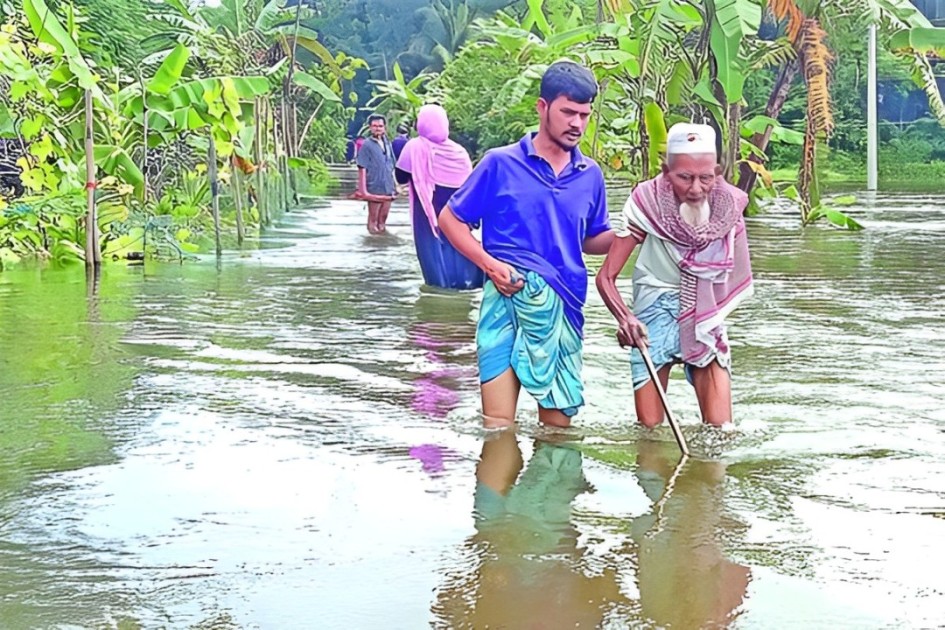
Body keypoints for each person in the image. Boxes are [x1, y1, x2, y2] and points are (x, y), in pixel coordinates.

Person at [438, 60, 614, 429]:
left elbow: (591, 240)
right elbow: (450, 221)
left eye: (584, 115)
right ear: (542, 107)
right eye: (568, 112)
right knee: (496, 428)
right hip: (504, 304)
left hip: (565, 306)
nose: (577, 124)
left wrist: (636, 233)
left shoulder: (590, 175)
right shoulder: (499, 164)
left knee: (557, 433)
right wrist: (489, 265)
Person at [595, 123, 753, 428]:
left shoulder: (729, 208)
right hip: (652, 311)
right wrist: (625, 318)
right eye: (684, 177)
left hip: (705, 315)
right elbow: (605, 278)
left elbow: (728, 278)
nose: (695, 189)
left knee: (722, 432)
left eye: (705, 178)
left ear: (717, 172)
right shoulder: (645, 203)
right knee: (650, 433)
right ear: (667, 172)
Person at [395, 104, 483, 290]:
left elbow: (400, 177)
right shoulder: (460, 152)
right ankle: (464, 291)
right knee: (459, 250)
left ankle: (438, 295)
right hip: (457, 213)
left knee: (432, 254)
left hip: (427, 212)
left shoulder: (414, 147)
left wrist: (420, 172)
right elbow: (470, 189)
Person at [355, 114, 396, 234]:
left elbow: (392, 165)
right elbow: (362, 167)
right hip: (374, 186)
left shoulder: (388, 144)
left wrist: (396, 185)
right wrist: (363, 191)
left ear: (385, 128)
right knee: (373, 221)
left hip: (388, 186)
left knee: (383, 219)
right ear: (370, 128)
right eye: (375, 126)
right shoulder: (366, 145)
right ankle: (372, 245)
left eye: (380, 126)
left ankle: (382, 245)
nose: (378, 128)